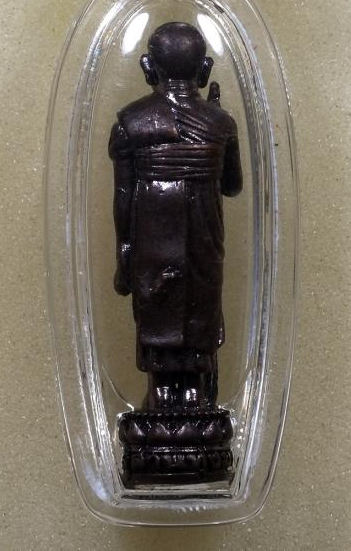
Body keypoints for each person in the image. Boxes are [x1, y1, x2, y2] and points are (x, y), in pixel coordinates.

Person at [109, 22, 242, 410]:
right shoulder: (221, 124)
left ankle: (162, 390)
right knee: (199, 306)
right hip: (205, 237)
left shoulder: (131, 122)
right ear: (204, 69)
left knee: (158, 307)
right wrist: (215, 132)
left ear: (148, 67)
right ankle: (194, 393)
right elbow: (232, 186)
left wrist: (124, 254)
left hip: (152, 238)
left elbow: (123, 199)